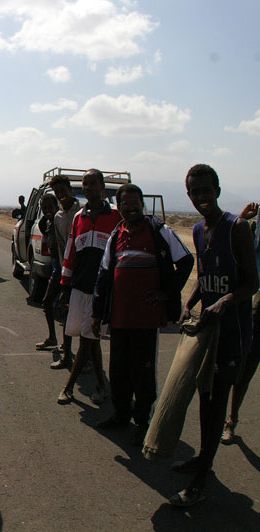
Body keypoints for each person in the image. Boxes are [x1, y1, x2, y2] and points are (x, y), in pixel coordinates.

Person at [167, 164, 257, 507]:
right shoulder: (201, 230)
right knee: (204, 400)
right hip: (207, 330)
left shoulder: (238, 228)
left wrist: (226, 301)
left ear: (218, 190)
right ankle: (203, 458)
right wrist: (187, 303)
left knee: (217, 401)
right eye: (195, 192)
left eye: (207, 190)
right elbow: (204, 278)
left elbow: (252, 282)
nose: (202, 197)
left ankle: (201, 480)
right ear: (189, 195)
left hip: (232, 331)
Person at [91, 184, 193, 446]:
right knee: (119, 370)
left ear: (142, 204)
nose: (130, 207)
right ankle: (121, 415)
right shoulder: (116, 236)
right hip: (119, 318)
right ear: (119, 206)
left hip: (146, 319)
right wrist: (96, 314)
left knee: (143, 372)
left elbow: (186, 262)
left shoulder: (160, 232)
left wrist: (166, 292)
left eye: (135, 203)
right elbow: (103, 276)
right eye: (125, 203)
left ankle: (142, 422)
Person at [57, 169, 122, 405]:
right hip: (80, 285)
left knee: (87, 339)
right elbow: (70, 252)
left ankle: (68, 387)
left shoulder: (116, 216)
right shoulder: (79, 218)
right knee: (87, 337)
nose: (89, 188)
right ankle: (103, 386)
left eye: (93, 183)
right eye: (85, 184)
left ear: (102, 187)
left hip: (102, 290)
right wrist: (65, 285)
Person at [221, 201, 260, 444]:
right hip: (255, 305)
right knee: (244, 367)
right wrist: (242, 220)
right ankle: (230, 420)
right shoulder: (250, 228)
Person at [48, 175, 82, 369]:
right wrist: (64, 274)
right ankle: (67, 355)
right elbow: (62, 248)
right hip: (67, 272)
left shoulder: (82, 213)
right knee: (65, 313)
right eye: (57, 192)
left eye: (63, 190)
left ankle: (84, 361)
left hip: (84, 274)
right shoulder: (59, 217)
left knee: (85, 322)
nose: (61, 195)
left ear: (70, 189)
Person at [35, 194, 61, 351]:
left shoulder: (61, 220)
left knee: (62, 307)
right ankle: (53, 338)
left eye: (50, 207)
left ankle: (64, 344)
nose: (47, 210)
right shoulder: (47, 222)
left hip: (64, 267)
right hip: (55, 266)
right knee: (48, 303)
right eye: (44, 208)